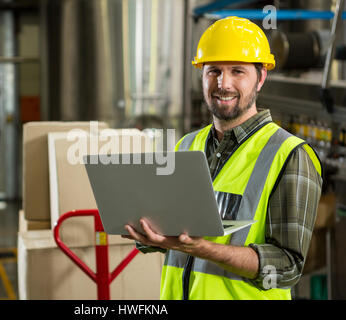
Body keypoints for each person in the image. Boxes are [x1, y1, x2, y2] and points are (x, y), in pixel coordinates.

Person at [123, 16, 323, 300]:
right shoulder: (187, 145)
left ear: (261, 77)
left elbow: (287, 267)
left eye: (237, 71)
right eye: (213, 70)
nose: (223, 83)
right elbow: (173, 233)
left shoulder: (289, 155)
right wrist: (147, 234)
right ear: (202, 76)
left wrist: (204, 249)